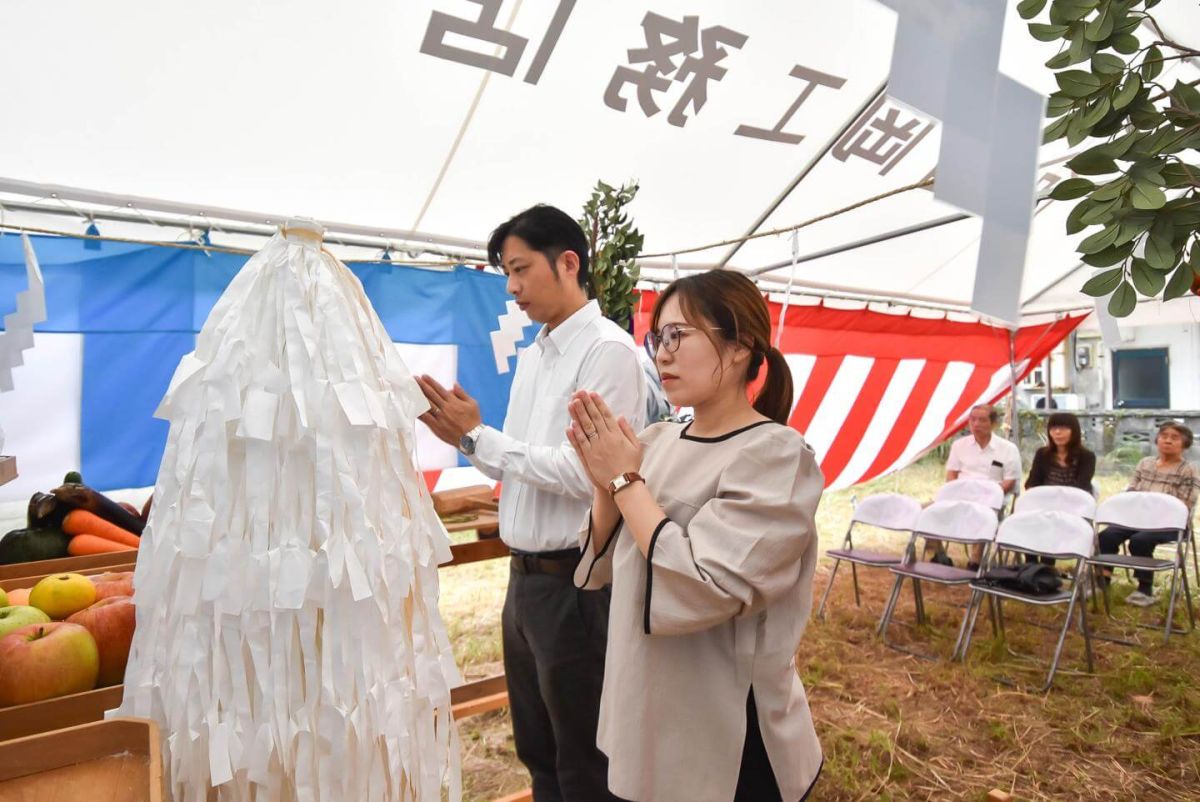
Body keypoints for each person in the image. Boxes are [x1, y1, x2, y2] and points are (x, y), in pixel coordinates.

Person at [416, 204, 645, 802]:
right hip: (525, 581)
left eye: (519, 270)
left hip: (576, 585)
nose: (512, 287)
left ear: (568, 263)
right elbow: (520, 461)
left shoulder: (608, 352)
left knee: (584, 760)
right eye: (506, 274)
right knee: (538, 751)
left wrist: (478, 436)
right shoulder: (538, 352)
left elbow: (588, 472)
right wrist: (470, 437)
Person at [567, 270, 823, 802]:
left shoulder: (776, 454)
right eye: (657, 337)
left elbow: (708, 584)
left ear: (738, 347)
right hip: (647, 703)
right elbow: (606, 567)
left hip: (725, 730)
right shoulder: (657, 439)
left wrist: (624, 480)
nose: (662, 353)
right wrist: (604, 484)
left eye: (679, 335)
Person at [1097, 422, 1199, 607]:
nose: (1167, 440)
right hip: (1136, 518)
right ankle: (1102, 582)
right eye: (1164, 435)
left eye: (1174, 437)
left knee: (1140, 540)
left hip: (1170, 524)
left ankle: (1144, 589)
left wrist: (1154, 507)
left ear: (1185, 443)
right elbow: (1132, 490)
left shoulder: (1189, 469)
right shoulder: (1145, 463)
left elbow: (1186, 504)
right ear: (1157, 439)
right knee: (1106, 536)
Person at [933, 404, 1022, 569]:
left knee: (982, 513)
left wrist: (989, 496)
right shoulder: (959, 445)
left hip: (992, 500)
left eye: (982, 420)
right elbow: (951, 474)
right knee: (927, 511)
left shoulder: (1008, 449)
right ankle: (939, 555)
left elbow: (1010, 482)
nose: (976, 424)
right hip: (962, 495)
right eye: (972, 420)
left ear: (993, 423)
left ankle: (976, 561)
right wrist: (955, 493)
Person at [1025, 411, 1096, 493]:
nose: (1057, 432)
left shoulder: (1087, 456)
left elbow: (1082, 486)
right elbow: (1032, 483)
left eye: (1063, 428)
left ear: (1074, 431)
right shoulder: (1042, 454)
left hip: (1075, 501)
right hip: (1046, 500)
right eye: (1053, 428)